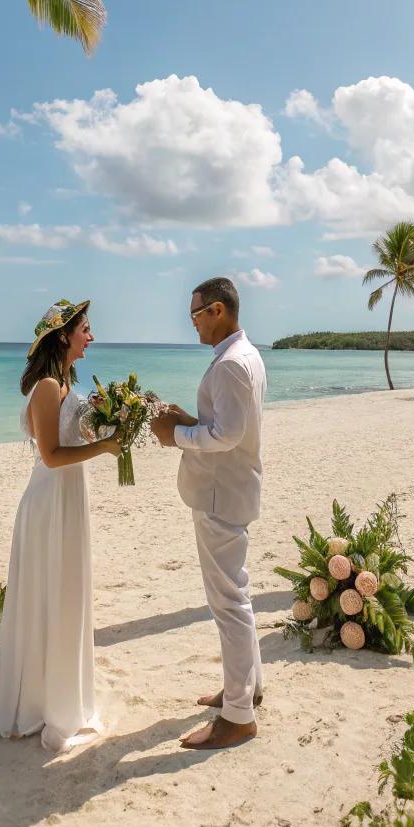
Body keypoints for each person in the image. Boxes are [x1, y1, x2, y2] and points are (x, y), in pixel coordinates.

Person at [0, 298, 120, 752]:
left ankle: (57, 695)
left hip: (69, 500)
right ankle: (38, 704)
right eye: (86, 329)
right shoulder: (45, 386)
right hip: (48, 504)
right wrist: (105, 447)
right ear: (64, 335)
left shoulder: (64, 382)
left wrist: (102, 422)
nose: (91, 336)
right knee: (48, 595)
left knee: (65, 593)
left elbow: (71, 437)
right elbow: (51, 456)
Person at [151, 276, 267, 751]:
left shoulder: (231, 366)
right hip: (230, 489)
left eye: (196, 314)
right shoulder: (244, 357)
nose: (192, 323)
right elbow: (224, 426)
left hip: (221, 495)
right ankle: (247, 690)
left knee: (228, 604)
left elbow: (227, 435)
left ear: (218, 311)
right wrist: (187, 420)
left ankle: (238, 717)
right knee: (236, 596)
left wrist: (174, 435)